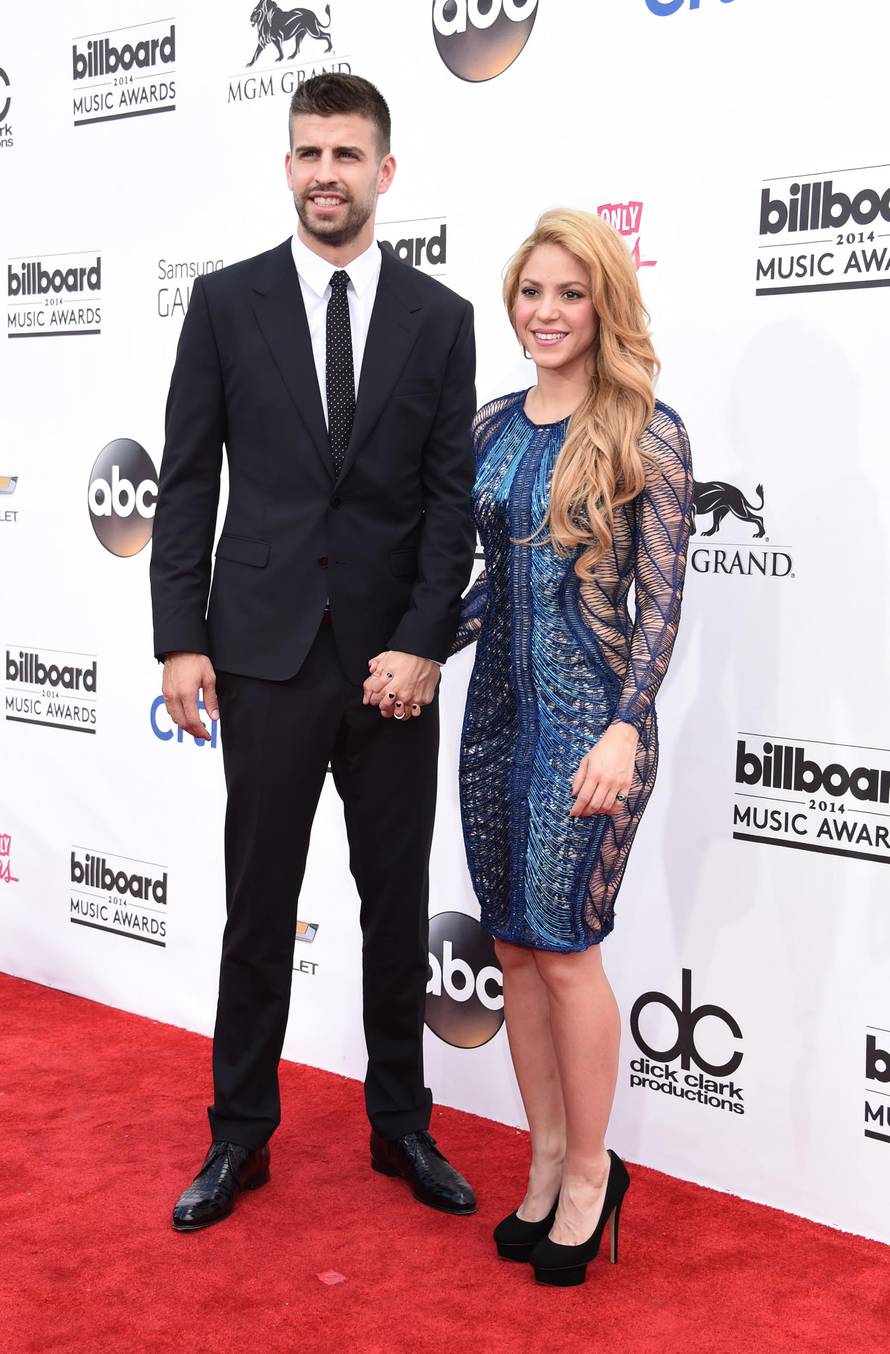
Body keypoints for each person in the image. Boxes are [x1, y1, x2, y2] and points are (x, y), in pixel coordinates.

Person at [150, 73, 478, 1231]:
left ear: (385, 172)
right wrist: (179, 639)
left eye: (347, 154)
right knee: (258, 903)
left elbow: (451, 506)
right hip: (265, 657)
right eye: (307, 153)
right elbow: (187, 480)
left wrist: (422, 642)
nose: (325, 173)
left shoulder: (439, 319)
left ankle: (400, 1124)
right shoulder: (226, 303)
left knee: (395, 905)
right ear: (286, 167)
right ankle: (239, 1134)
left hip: (392, 670)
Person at [448, 208, 693, 1285]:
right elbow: (484, 588)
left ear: (603, 305)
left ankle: (592, 1172)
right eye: (530, 292)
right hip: (494, 720)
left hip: (591, 724)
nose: (545, 312)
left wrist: (625, 726)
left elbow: (660, 606)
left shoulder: (644, 429)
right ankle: (543, 1157)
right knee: (509, 946)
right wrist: (408, 649)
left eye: (568, 293)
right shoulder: (490, 426)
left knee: (565, 947)